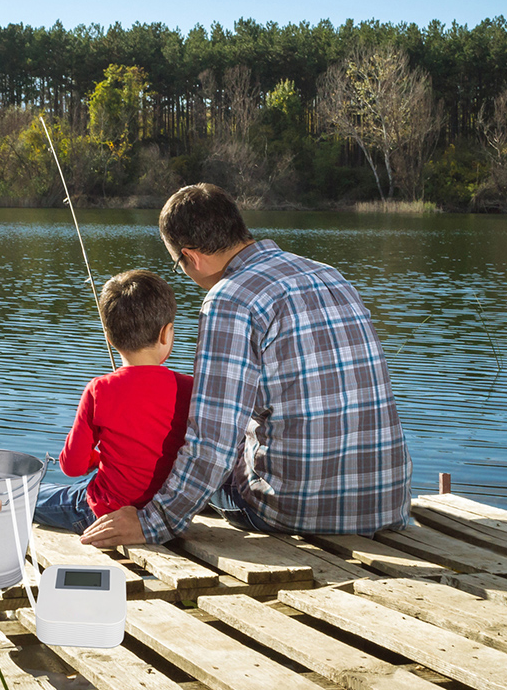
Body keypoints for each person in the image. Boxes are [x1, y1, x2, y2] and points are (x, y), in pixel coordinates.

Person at [80, 183, 412, 547]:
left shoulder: (230, 300)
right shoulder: (330, 275)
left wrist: (152, 523)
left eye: (179, 266)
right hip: (386, 503)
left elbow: (212, 442)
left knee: (150, 476)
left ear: (192, 257)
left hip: (293, 511)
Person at [34, 269, 193, 534]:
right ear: (166, 334)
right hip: (165, 514)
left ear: (109, 337)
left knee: (28, 496)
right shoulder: (189, 389)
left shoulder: (99, 390)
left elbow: (72, 466)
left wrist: (96, 459)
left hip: (101, 513)